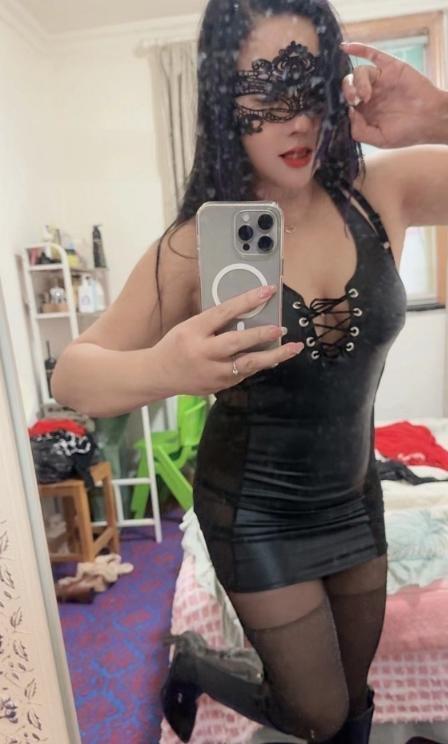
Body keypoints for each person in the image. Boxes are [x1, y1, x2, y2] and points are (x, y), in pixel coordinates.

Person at [51, 0, 448, 742]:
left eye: (311, 86)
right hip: (254, 507)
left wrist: (437, 116)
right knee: (317, 711)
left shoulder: (380, 193)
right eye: (265, 93)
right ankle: (196, 664)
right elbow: (72, 377)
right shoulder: (196, 245)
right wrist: (166, 368)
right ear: (222, 102)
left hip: (353, 491)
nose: (296, 121)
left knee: (352, 699)